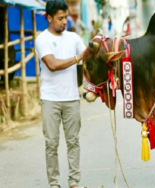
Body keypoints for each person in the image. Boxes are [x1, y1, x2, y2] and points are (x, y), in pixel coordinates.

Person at [35, 0, 86, 188]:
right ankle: (54, 184)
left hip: (72, 98)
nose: (65, 22)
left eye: (66, 17)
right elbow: (53, 64)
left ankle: (74, 182)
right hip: (50, 99)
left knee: (73, 142)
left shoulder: (74, 38)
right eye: (60, 18)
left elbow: (87, 58)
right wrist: (78, 58)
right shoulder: (42, 40)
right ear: (49, 18)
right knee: (51, 145)